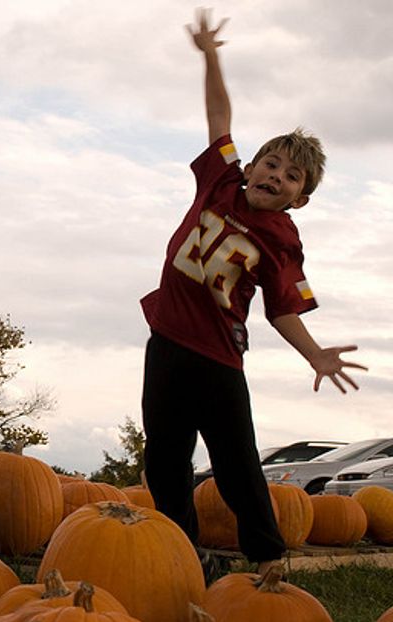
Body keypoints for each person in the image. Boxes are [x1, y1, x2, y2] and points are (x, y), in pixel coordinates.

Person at [139, 8, 367, 577]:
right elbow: (219, 115)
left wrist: (315, 354)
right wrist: (211, 57)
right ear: (251, 167)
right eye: (271, 163)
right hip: (166, 343)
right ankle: (183, 556)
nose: (275, 175)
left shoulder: (282, 239)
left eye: (291, 176)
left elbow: (282, 308)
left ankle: (267, 559)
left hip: (218, 361)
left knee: (236, 463)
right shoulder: (220, 180)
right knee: (164, 458)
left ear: (299, 199)